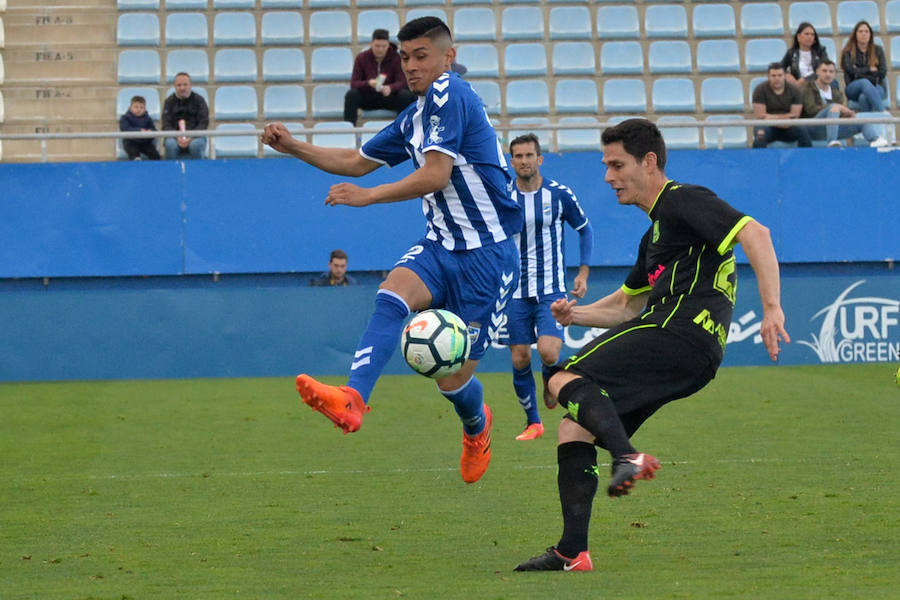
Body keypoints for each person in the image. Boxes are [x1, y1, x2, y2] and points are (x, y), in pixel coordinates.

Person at [514, 118, 789, 572]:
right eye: (605, 165)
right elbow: (626, 305)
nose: (608, 176)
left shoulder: (681, 199)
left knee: (562, 375)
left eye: (616, 164)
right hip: (692, 353)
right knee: (573, 426)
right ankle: (572, 552)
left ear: (649, 162)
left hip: (678, 332)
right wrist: (574, 315)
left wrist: (772, 307)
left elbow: (756, 234)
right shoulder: (656, 233)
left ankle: (627, 456)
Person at [262, 17, 522, 484]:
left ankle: (476, 425)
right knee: (391, 294)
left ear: (448, 56)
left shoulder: (452, 93)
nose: (411, 65)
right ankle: (353, 400)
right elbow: (357, 162)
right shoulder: (415, 116)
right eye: (405, 57)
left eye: (421, 55)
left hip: (488, 256)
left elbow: (437, 174)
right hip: (442, 245)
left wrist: (370, 197)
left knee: (452, 380)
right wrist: (293, 146)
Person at [501, 133, 593, 442]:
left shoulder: (559, 194)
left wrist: (582, 272)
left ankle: (548, 375)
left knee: (550, 353)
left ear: (539, 159)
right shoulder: (502, 196)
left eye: (529, 155)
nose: (524, 161)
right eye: (518, 156)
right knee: (518, 359)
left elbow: (584, 228)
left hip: (551, 288)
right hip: (514, 290)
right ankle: (533, 422)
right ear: (511, 161)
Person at [800, 60, 888, 148]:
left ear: (834, 74)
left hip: (831, 129)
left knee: (861, 120)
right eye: (824, 71)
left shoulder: (836, 93)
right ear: (817, 72)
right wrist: (835, 108)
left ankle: (876, 140)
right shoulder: (808, 88)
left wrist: (848, 114)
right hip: (812, 128)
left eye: (831, 72)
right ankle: (832, 142)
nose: (828, 74)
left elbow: (839, 112)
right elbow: (810, 109)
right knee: (834, 106)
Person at [343, 28, 417, 126]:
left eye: (383, 46)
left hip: (389, 97)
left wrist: (390, 88)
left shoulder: (396, 58)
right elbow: (354, 83)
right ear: (371, 44)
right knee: (351, 95)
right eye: (377, 46)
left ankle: (402, 129)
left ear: (388, 45)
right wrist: (368, 83)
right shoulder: (362, 58)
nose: (380, 49)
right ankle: (349, 128)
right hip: (369, 96)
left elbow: (402, 81)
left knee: (406, 95)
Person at [752, 63, 812, 148]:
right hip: (768, 127)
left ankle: (806, 160)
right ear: (768, 76)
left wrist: (770, 117)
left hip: (788, 128)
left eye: (780, 75)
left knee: (803, 130)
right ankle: (758, 161)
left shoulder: (794, 90)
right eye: (773, 76)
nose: (777, 78)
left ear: (784, 76)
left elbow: (793, 118)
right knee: (760, 134)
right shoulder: (760, 90)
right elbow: (760, 117)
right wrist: (784, 117)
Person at [841, 20, 887, 112]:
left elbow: (882, 72)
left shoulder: (878, 50)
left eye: (866, 31)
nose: (864, 34)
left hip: (877, 86)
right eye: (860, 31)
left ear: (870, 34)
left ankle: (867, 125)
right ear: (855, 34)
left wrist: (858, 71)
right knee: (864, 82)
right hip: (853, 88)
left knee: (863, 98)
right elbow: (850, 71)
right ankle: (883, 114)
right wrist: (869, 69)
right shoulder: (848, 52)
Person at [162, 72, 209, 159]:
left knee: (196, 146)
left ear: (190, 85)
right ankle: (171, 171)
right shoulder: (169, 102)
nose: (182, 88)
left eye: (185, 84)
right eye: (179, 85)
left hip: (195, 137)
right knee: (170, 145)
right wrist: (177, 137)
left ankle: (198, 171)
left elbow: (204, 123)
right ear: (175, 86)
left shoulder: (199, 100)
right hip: (174, 137)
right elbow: (166, 124)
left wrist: (190, 137)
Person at [779, 22, 831, 89]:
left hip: (817, 83)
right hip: (799, 85)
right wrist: (786, 74)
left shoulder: (820, 51)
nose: (810, 37)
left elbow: (825, 69)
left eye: (812, 35)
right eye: (806, 34)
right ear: (798, 37)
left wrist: (806, 80)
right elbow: (780, 67)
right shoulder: (791, 53)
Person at [119, 95, 160, 160]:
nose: (139, 109)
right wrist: (139, 131)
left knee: (154, 154)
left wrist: (150, 132)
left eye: (141, 107)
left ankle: (156, 168)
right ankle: (136, 165)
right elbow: (125, 129)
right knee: (133, 153)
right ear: (130, 108)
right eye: (136, 107)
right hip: (131, 142)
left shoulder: (148, 118)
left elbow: (153, 129)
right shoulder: (125, 118)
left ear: (145, 109)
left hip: (145, 142)